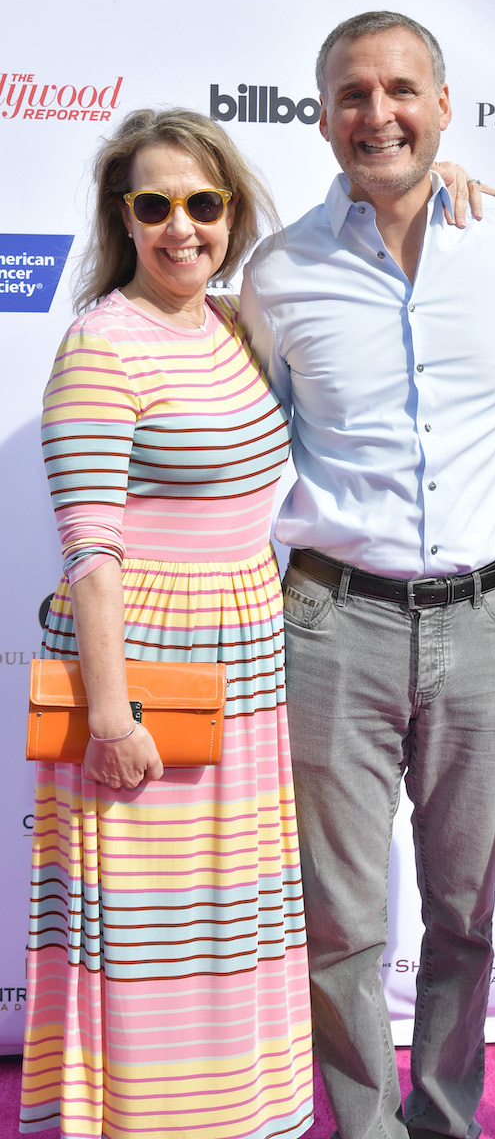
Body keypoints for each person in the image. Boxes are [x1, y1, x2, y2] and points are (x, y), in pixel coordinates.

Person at [241, 10, 495, 1139]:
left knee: (466, 912)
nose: (374, 112)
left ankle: (441, 1117)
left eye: (398, 90)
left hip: (488, 624)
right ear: (321, 113)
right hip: (330, 623)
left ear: (442, 105)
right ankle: (366, 1126)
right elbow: (249, 445)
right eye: (349, 93)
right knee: (338, 919)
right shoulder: (279, 273)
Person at [20, 108, 314, 1139]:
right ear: (124, 216)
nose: (181, 226)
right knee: (148, 932)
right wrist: (110, 720)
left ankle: (236, 1118)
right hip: (146, 674)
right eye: (154, 205)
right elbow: (91, 557)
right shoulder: (103, 343)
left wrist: (436, 185)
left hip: (240, 658)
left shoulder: (229, 324)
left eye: (203, 202)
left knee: (226, 923)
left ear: (231, 210)